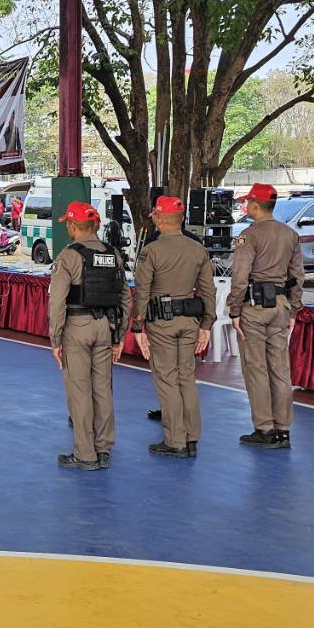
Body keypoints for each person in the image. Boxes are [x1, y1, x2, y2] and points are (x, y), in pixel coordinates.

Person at [47, 201, 130, 470]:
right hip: (106, 326)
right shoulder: (113, 254)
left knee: (80, 391)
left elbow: (57, 302)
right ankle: (103, 449)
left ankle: (85, 454)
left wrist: (55, 339)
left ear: (72, 226)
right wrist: (119, 334)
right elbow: (125, 296)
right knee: (103, 390)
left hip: (77, 327)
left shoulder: (68, 256)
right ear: (94, 225)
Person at [132, 196, 215, 458]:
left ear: (158, 219)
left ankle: (175, 440)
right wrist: (207, 324)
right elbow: (208, 290)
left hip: (161, 322)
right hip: (190, 321)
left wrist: (138, 326)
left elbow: (142, 291)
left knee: (167, 380)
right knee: (187, 378)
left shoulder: (152, 251)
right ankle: (192, 438)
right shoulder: (197, 249)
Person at [229, 183, 304, 450]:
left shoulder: (249, 236)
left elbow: (240, 277)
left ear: (255, 205)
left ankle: (264, 428)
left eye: (247, 202)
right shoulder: (290, 234)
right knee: (280, 369)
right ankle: (283, 429)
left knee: (256, 368)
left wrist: (234, 309)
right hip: (280, 306)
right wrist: (294, 308)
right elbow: (297, 276)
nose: (245, 206)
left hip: (254, 307)